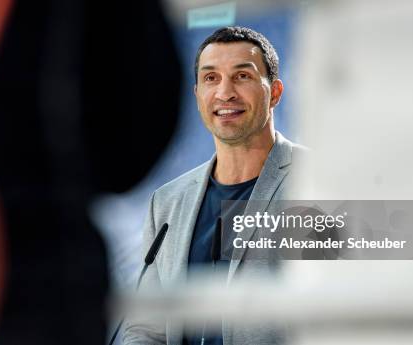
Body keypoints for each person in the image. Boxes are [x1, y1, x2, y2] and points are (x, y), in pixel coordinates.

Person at [123, 26, 306, 345]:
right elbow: (145, 328)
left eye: (242, 76)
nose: (225, 93)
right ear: (197, 95)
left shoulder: (316, 182)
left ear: (274, 93)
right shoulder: (166, 202)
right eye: (211, 78)